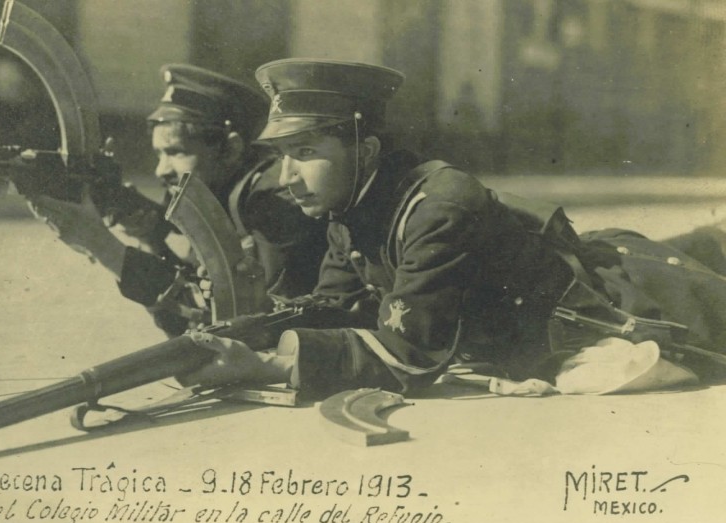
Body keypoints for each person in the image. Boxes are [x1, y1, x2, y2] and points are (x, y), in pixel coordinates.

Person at [183, 58, 726, 398]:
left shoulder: (436, 208)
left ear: (365, 150)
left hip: (632, 302)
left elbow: (408, 354)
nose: (288, 178)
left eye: (304, 152)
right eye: (280, 156)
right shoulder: (351, 207)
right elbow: (335, 304)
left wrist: (261, 367)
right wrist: (250, 330)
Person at [27, 64, 327, 336]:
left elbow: (249, 326)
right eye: (158, 154)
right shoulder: (219, 198)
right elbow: (187, 322)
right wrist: (151, 241)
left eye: (176, 152)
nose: (161, 170)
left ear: (231, 149)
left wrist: (102, 245)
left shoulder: (272, 201)